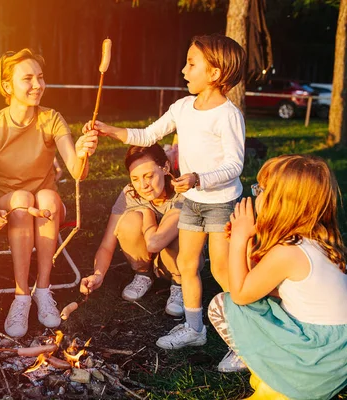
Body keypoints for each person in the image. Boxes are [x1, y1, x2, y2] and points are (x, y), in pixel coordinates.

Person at [84, 34, 246, 368]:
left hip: (219, 202)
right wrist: (109, 130)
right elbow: (147, 136)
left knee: (220, 269)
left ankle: (244, 341)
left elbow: (235, 164)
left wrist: (199, 178)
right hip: (191, 201)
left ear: (215, 73)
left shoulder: (228, 115)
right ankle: (194, 326)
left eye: (191, 63)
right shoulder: (183, 108)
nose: (184, 69)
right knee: (187, 265)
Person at [0, 49, 98, 338]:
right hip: (10, 205)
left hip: (46, 206)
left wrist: (84, 151)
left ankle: (43, 289)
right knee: (21, 199)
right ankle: (21, 296)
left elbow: (77, 172)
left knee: (48, 197)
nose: (37, 85)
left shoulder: (51, 119)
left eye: (40, 77)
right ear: (7, 86)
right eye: (27, 78)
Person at [208, 155, 347, 399]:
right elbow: (255, 284)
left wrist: (240, 240)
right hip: (332, 358)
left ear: (283, 202)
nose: (256, 195)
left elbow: (240, 294)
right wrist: (247, 240)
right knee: (261, 301)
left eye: (260, 189)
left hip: (314, 363)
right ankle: (276, 374)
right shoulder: (315, 242)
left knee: (222, 305)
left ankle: (277, 380)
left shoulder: (289, 252)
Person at [80, 145, 185, 317]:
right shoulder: (130, 193)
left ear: (165, 168)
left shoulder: (181, 194)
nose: (143, 185)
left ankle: (180, 284)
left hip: (180, 259)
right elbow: (107, 243)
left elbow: (155, 242)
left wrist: (147, 213)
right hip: (149, 254)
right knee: (128, 221)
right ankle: (143, 273)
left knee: (177, 230)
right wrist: (98, 275)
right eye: (135, 179)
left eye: (149, 176)